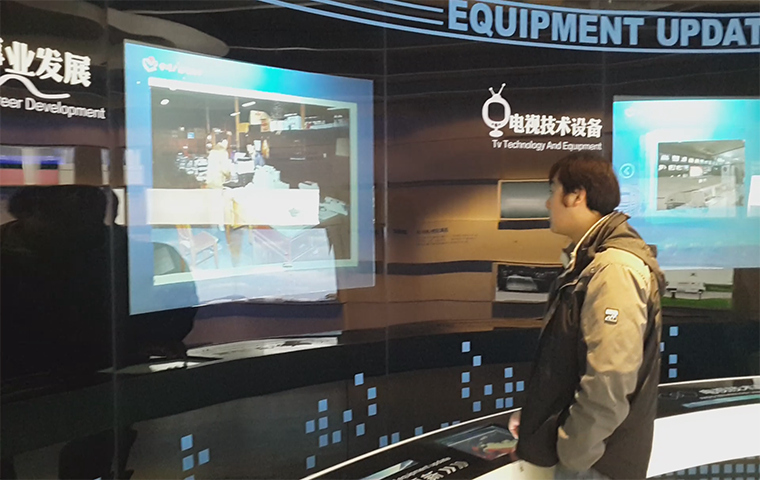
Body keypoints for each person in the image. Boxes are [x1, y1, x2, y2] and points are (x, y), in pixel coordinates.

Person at [508, 152, 665, 480]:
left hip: (596, 465)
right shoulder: (592, 262)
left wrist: (573, 454)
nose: (548, 203)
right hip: (592, 458)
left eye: (553, 190)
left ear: (577, 196)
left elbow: (609, 381)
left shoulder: (613, 269)